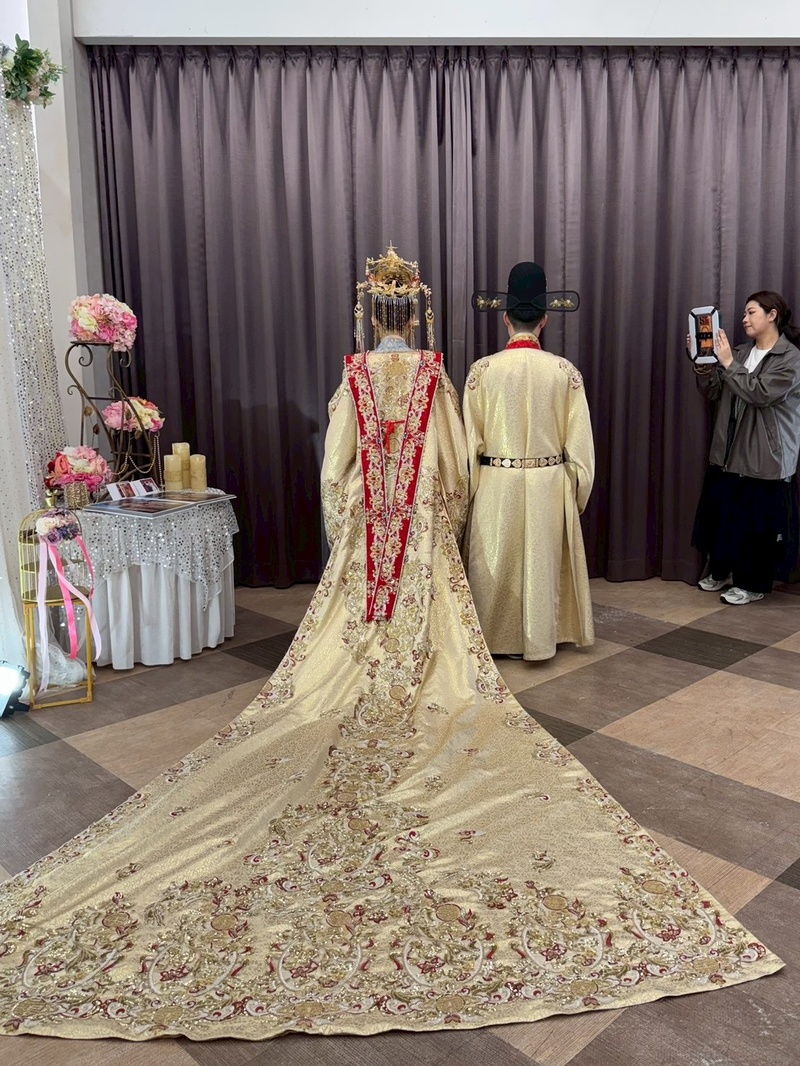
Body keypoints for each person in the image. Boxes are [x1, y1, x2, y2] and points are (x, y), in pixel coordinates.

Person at [0, 249, 781, 1043]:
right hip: (434, 528)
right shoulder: (443, 377)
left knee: (341, 641)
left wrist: (345, 524)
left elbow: (335, 466)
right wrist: (445, 518)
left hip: (371, 531)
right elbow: (453, 466)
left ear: (372, 317)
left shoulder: (363, 380)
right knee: (447, 637)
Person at [463, 262, 595, 660]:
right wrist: (573, 495)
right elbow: (582, 454)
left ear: (505, 319)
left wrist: (470, 495)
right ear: (544, 321)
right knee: (542, 564)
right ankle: (539, 639)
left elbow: (469, 446)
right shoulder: (565, 372)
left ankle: (493, 638)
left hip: (495, 482)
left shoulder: (482, 372)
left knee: (494, 563)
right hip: (547, 482)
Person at [691, 291, 800, 604]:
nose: (744, 319)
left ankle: (752, 584)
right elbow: (713, 391)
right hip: (728, 452)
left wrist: (727, 362)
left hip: (766, 456)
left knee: (758, 525)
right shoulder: (740, 352)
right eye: (744, 314)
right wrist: (703, 363)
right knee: (725, 517)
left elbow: (760, 393)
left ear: (772, 315)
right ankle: (721, 571)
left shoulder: (790, 359)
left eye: (751, 312)